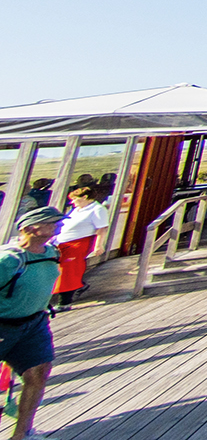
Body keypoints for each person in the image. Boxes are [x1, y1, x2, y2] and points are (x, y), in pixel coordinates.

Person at [0, 206, 67, 438]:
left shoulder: (52, 252)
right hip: (3, 325)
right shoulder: (8, 260)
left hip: (36, 323)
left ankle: (22, 434)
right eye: (50, 222)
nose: (57, 226)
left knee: (38, 373)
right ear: (29, 229)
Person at [52, 186, 107, 309]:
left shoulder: (97, 209)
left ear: (85, 197)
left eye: (74, 199)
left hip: (78, 243)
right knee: (57, 268)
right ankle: (79, 285)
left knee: (68, 270)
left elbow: (101, 228)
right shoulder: (77, 210)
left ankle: (64, 303)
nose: (72, 202)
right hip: (62, 243)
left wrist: (99, 245)